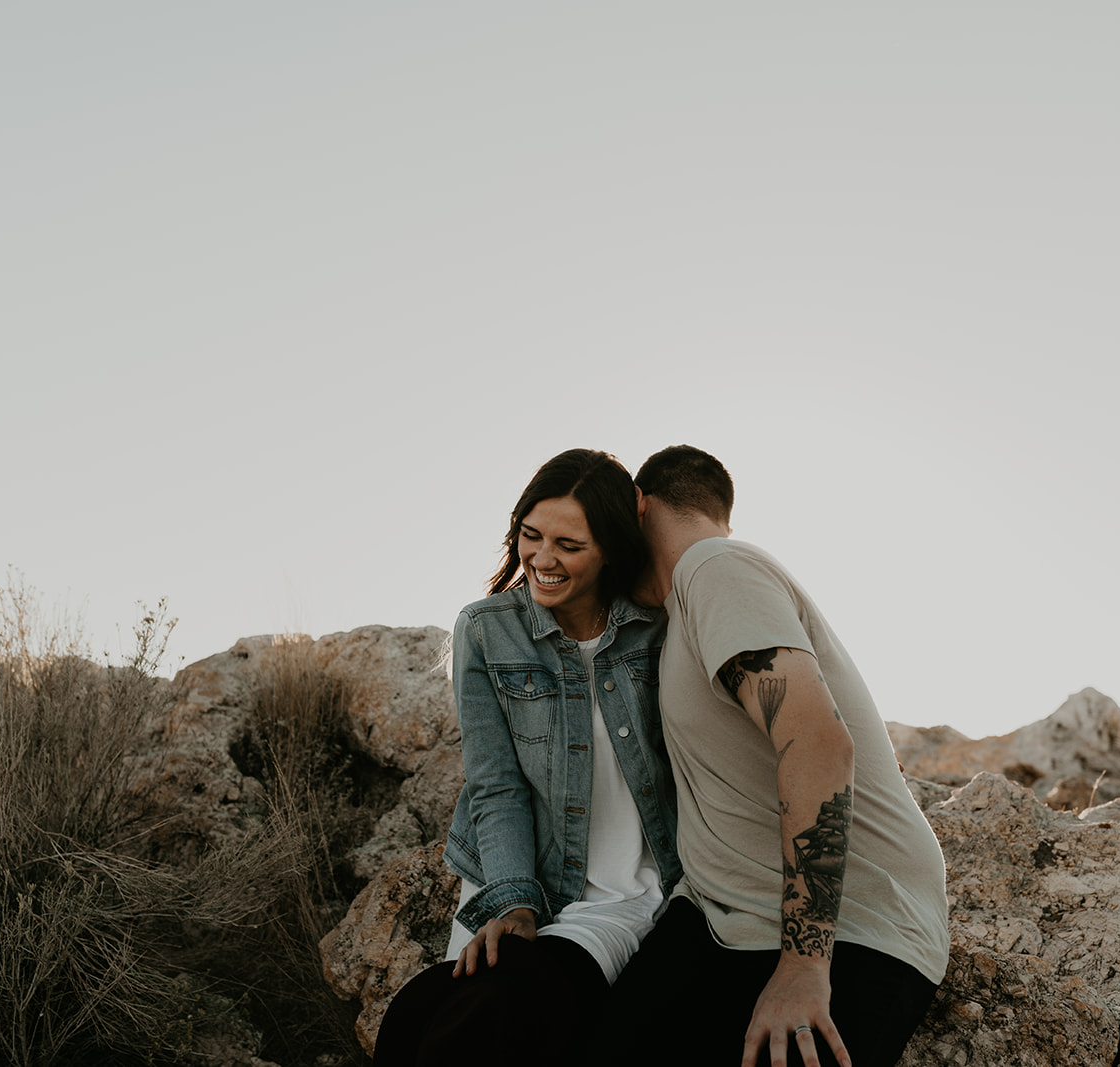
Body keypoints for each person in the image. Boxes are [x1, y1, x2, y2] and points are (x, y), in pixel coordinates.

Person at [592, 445, 949, 1067]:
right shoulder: (687, 601)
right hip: (720, 922)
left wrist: (805, 963)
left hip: (850, 933)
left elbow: (817, 740)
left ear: (638, 507)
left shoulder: (716, 567)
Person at [373, 448, 682, 1067]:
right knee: (420, 1022)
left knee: (505, 1023)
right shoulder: (487, 630)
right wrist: (516, 903)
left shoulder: (660, 629)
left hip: (628, 887)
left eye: (570, 545)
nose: (542, 559)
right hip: (517, 868)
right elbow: (496, 784)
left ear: (612, 549)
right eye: (530, 535)